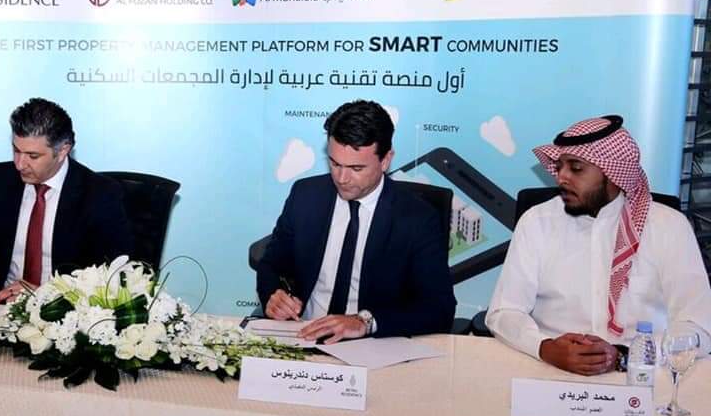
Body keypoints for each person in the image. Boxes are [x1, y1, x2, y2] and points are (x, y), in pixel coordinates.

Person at [486, 115, 711, 375]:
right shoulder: (537, 222)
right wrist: (545, 348)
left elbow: (698, 327)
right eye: (560, 166)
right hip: (550, 369)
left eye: (576, 168)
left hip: (640, 373)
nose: (562, 177)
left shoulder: (667, 226)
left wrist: (625, 355)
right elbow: (504, 312)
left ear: (613, 174)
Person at [256, 100, 456, 343]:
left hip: (373, 345)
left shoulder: (417, 218)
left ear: (386, 160)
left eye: (356, 168)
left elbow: (439, 309)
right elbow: (270, 265)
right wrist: (273, 296)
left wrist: (365, 322)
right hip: (303, 334)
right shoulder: (306, 196)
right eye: (335, 163)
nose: (342, 178)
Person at [0, 98, 133, 302]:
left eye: (32, 156)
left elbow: (113, 276)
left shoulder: (99, 193)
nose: (20, 164)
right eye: (16, 150)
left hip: (64, 311)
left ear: (62, 151)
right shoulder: (1, 178)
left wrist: (44, 294)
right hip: (1, 307)